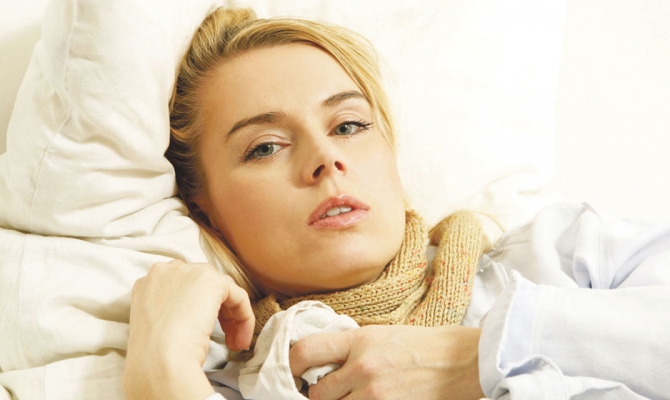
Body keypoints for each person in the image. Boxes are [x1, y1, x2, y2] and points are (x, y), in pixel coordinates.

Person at [123, 7, 670, 400]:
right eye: (265, 147)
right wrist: (162, 373)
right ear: (203, 209)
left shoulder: (572, 254)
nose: (326, 158)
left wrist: (476, 355)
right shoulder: (223, 385)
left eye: (349, 125)